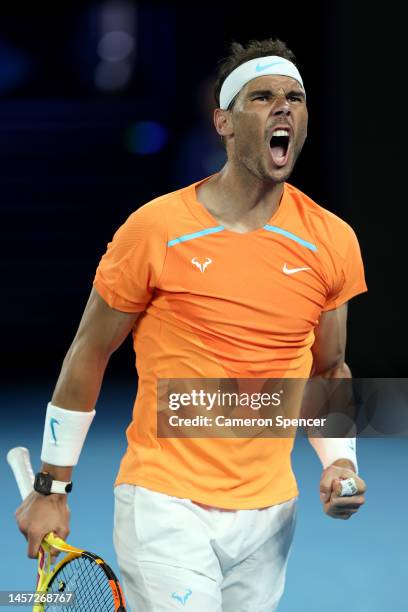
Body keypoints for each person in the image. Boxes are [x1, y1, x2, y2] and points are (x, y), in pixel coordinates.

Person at [15, 38, 368, 611]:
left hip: (272, 514)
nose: (283, 108)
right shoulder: (155, 229)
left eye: (295, 98)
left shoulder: (333, 240)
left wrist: (340, 463)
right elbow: (89, 351)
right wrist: (52, 487)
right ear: (223, 122)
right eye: (263, 97)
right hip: (165, 502)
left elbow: (328, 367)